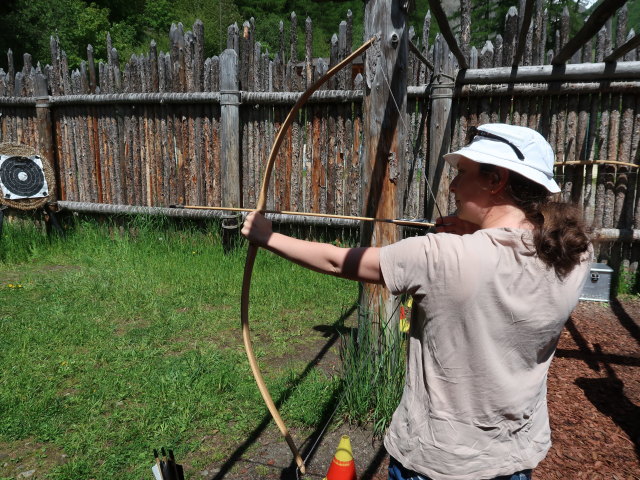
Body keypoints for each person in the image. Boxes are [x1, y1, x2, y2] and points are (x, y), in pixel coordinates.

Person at [241, 123, 592, 480]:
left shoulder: (440, 255)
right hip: (513, 457)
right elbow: (506, 259)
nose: (453, 186)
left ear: (495, 180)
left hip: (438, 461)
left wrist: (267, 236)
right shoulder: (574, 252)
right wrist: (475, 232)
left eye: (462, 173)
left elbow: (336, 260)